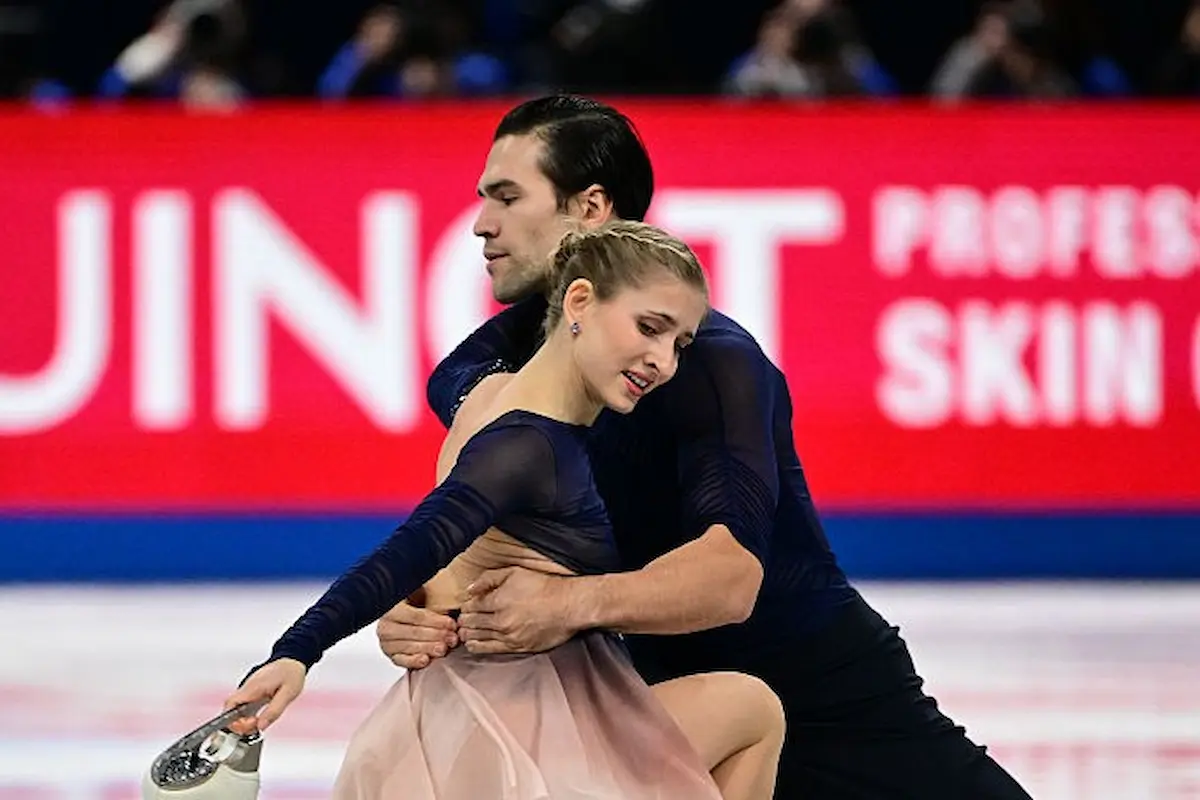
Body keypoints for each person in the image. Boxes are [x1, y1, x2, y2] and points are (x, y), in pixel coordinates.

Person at [378, 94, 1035, 799]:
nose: (481, 224)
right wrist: (415, 604)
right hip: (656, 707)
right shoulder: (473, 373)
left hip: (826, 696)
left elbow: (731, 580)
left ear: (591, 206)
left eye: (507, 197)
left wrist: (565, 605)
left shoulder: (715, 367)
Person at [223, 221, 786, 799]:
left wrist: (424, 601)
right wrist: (297, 651)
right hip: (512, 732)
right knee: (751, 713)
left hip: (481, 711)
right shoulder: (528, 446)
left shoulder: (489, 398)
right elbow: (420, 542)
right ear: (580, 301)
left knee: (747, 710)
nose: (663, 361)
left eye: (680, 345)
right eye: (649, 328)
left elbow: (448, 557)